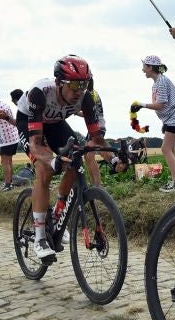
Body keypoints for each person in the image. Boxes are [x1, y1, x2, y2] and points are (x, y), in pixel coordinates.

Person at [15, 55, 127, 259]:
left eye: (84, 84)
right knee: (44, 169)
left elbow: (96, 140)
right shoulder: (40, 93)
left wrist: (115, 159)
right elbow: (36, 144)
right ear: (58, 83)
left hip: (55, 122)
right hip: (29, 123)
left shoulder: (85, 97)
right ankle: (39, 237)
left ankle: (58, 213)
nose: (79, 90)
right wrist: (51, 160)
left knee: (75, 161)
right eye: (74, 84)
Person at [135, 55, 175, 191]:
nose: (143, 70)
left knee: (165, 148)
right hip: (172, 117)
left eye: (144, 67)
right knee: (171, 149)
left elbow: (160, 105)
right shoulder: (158, 82)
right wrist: (165, 123)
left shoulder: (161, 82)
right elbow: (164, 105)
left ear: (151, 67)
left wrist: (141, 105)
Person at [0, 90, 21, 190]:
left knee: (4, 162)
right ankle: (10, 182)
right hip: (14, 137)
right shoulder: (5, 105)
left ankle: (7, 184)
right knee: (9, 161)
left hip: (5, 139)